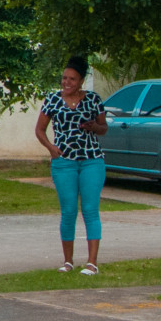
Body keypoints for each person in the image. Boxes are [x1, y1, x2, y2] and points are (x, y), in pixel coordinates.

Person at [36, 56, 108, 274]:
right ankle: (68, 262)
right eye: (64, 78)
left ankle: (92, 263)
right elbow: (39, 129)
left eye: (72, 79)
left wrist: (94, 126)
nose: (66, 82)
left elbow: (104, 128)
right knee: (68, 211)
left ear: (81, 81)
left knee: (90, 210)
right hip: (64, 162)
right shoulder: (52, 100)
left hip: (91, 161)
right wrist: (51, 148)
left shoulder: (93, 99)